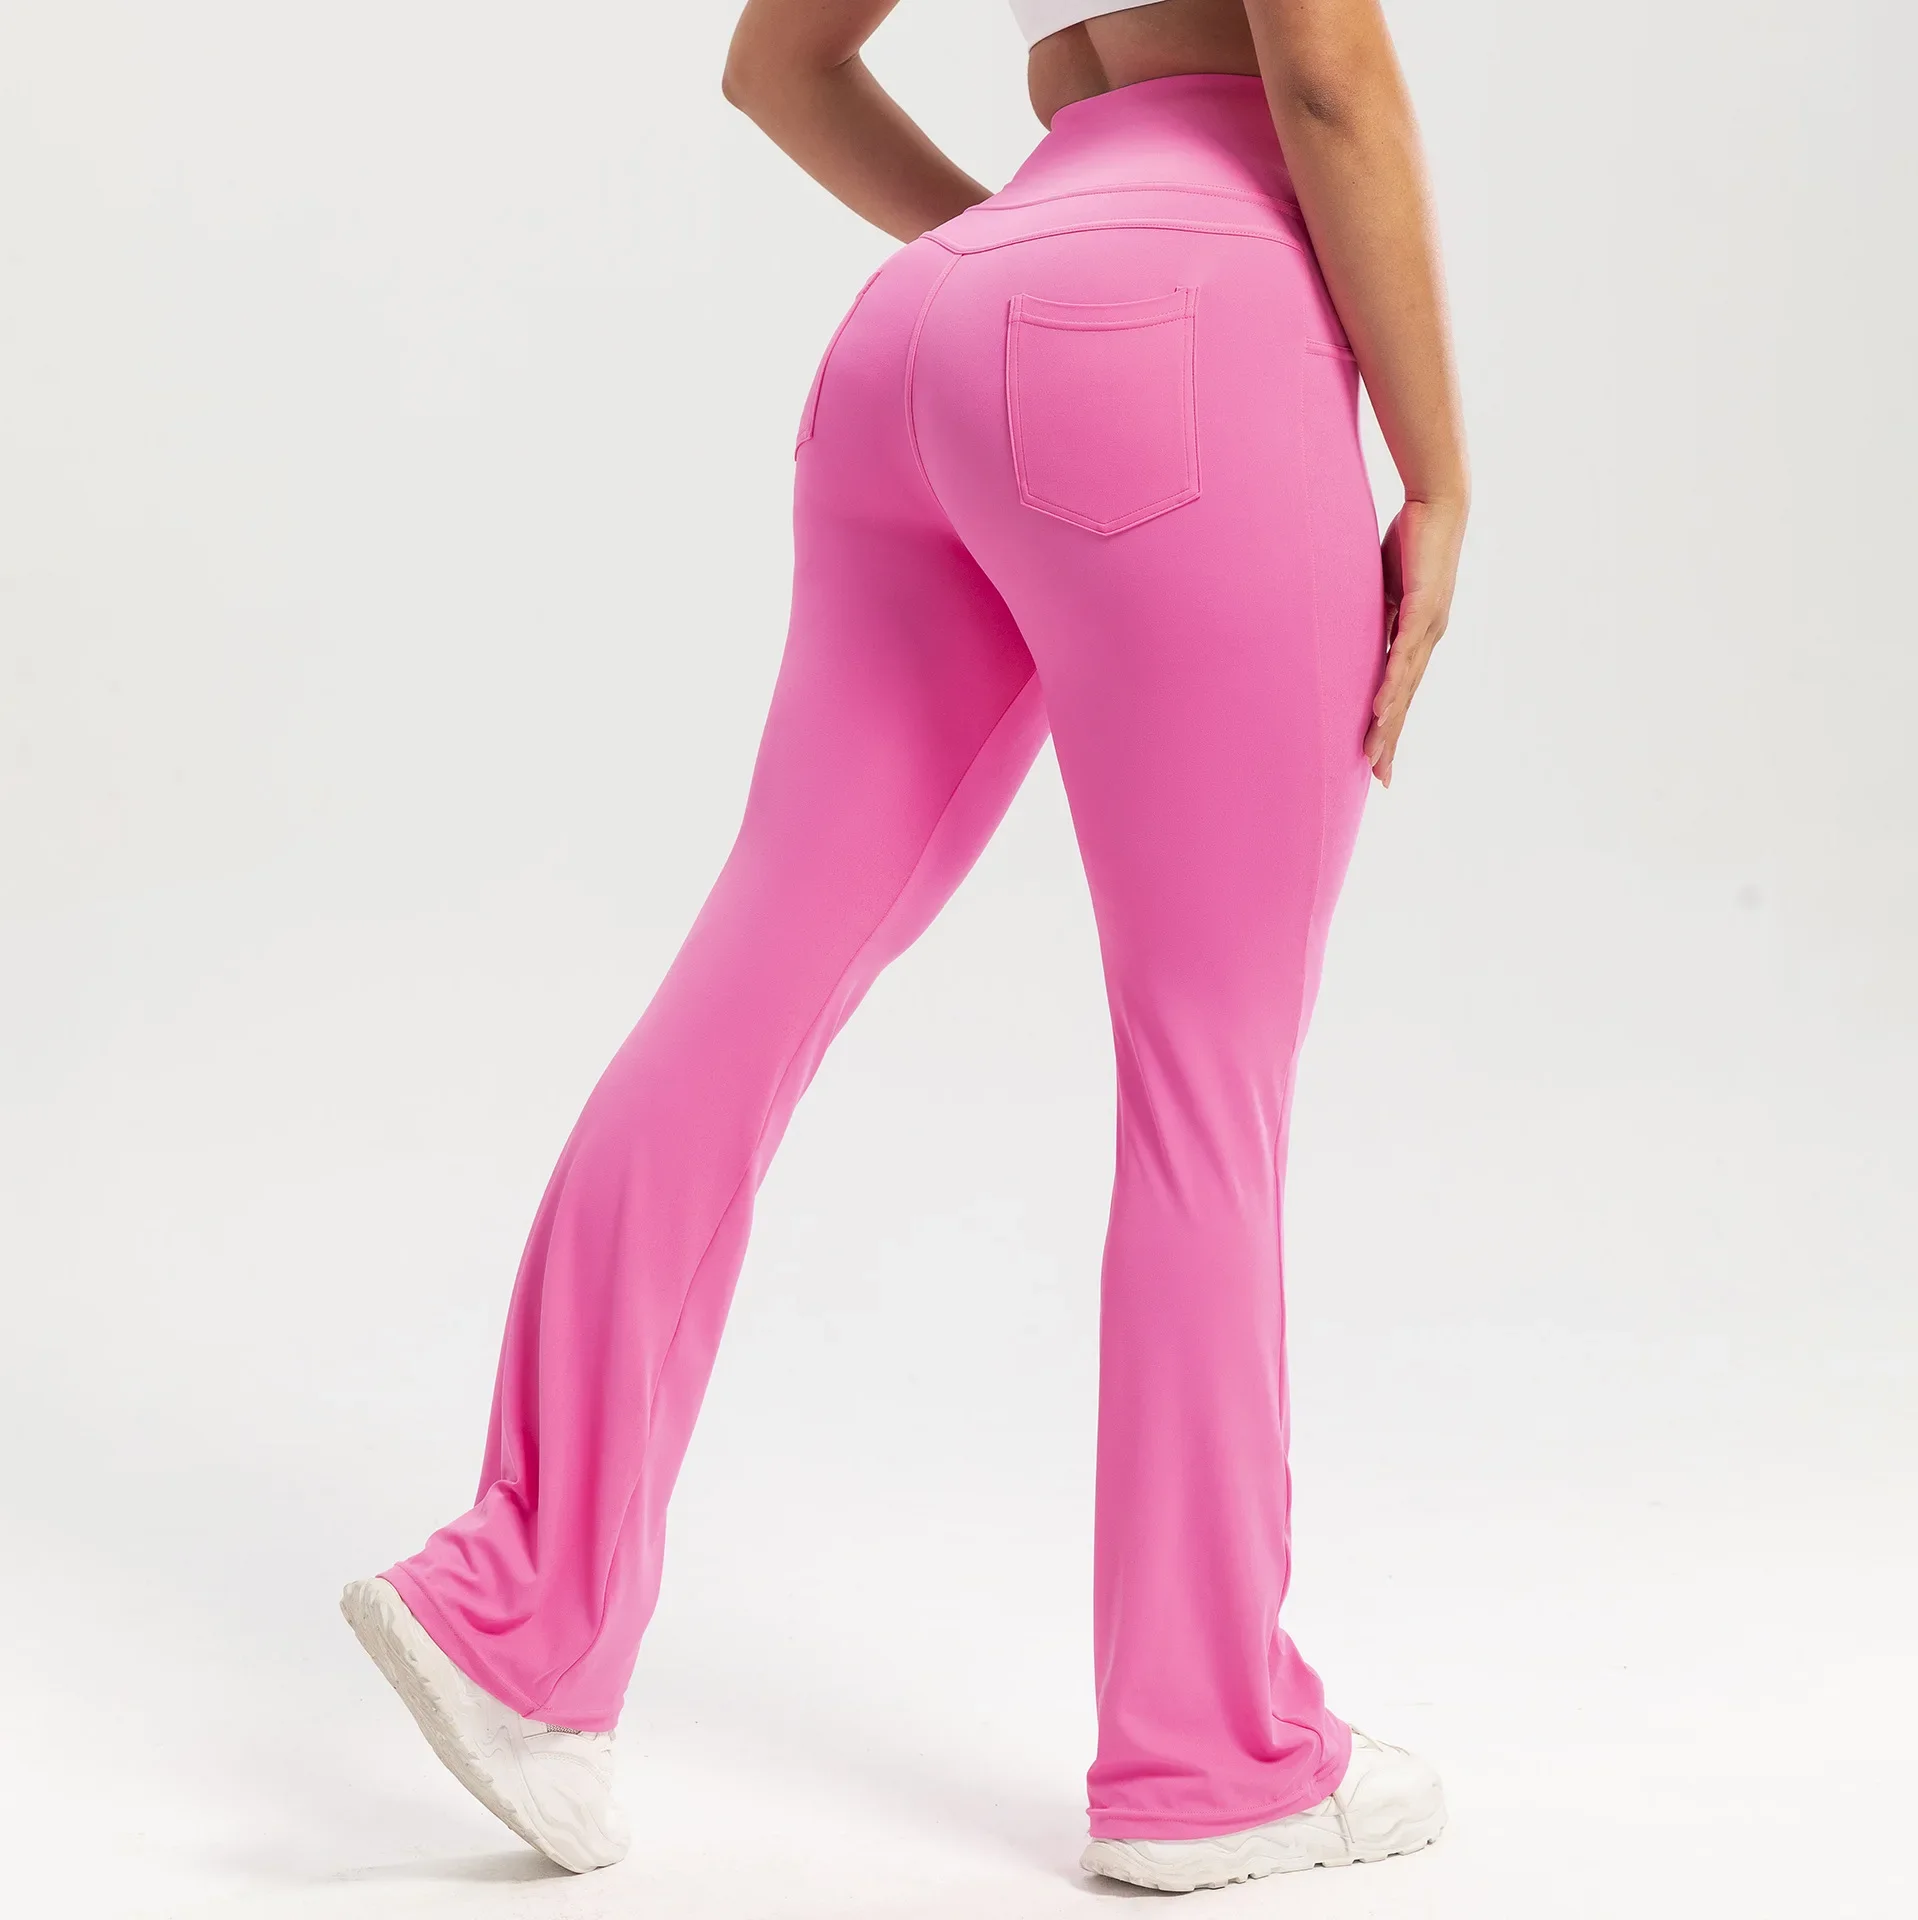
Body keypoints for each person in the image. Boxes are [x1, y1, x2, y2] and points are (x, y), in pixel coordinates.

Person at [341, 0, 1467, 1895]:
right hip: (1199, 328)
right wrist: (1437, 474)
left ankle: (514, 1606)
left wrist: (1020, 254)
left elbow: (778, 60)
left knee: (754, 968)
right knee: (1206, 1077)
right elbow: (1330, 76)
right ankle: (1210, 1758)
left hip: (923, 331)